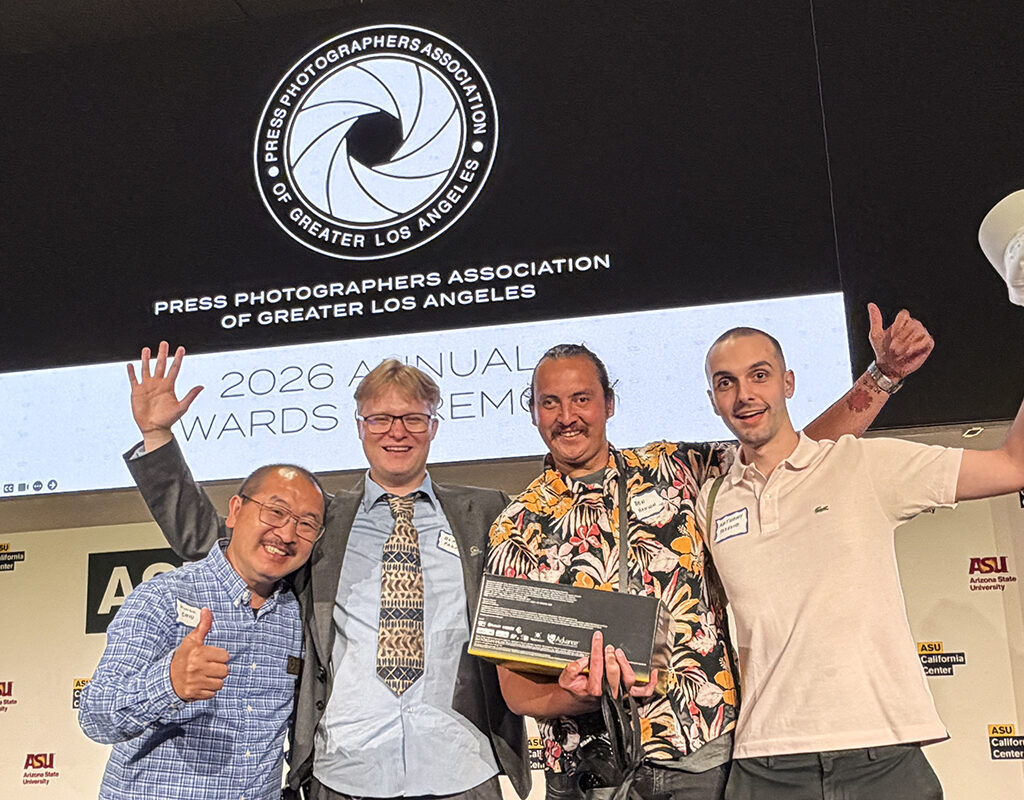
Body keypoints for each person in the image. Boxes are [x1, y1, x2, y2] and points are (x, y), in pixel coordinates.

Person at [484, 305, 934, 799]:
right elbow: (517, 690)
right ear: (531, 411)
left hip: (702, 758)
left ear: (609, 404)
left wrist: (882, 377)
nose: (567, 417)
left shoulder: (678, 468)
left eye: (581, 399)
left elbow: (800, 456)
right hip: (588, 774)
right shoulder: (515, 526)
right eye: (550, 403)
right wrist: (573, 695)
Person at [123, 345, 530, 800]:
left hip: (461, 765)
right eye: (380, 419)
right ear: (360, 427)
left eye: (413, 418)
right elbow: (209, 539)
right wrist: (158, 437)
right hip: (344, 770)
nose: (397, 432)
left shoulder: (487, 512)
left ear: (433, 425)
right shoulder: (322, 521)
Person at [697, 322, 1024, 800]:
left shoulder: (862, 465)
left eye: (759, 375)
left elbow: (1012, 466)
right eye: (726, 382)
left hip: (882, 756)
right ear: (713, 399)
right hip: (764, 762)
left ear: (788, 382)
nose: (744, 394)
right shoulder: (710, 500)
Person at [79, 462, 326, 800]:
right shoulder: (164, 596)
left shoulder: (297, 616)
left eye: (306, 524)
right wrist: (168, 684)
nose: (286, 534)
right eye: (275, 512)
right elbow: (96, 714)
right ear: (236, 511)